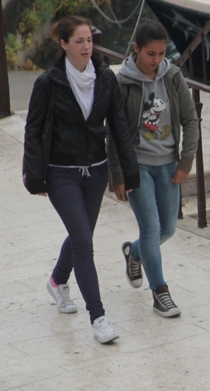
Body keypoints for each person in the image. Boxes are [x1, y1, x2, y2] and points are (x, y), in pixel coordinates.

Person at [23, 16, 139, 344]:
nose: (86, 46)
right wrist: (36, 177)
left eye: (89, 40)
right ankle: (98, 318)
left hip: (97, 171)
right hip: (61, 173)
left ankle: (57, 281)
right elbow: (33, 131)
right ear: (63, 44)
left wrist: (128, 172)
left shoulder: (105, 78)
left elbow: (119, 126)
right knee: (84, 243)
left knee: (81, 235)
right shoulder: (49, 82)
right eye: (79, 41)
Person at [108, 20, 199, 317]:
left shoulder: (172, 76)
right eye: (151, 54)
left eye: (161, 54)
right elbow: (114, 131)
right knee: (150, 229)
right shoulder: (123, 82)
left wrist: (186, 160)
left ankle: (134, 252)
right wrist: (118, 174)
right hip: (138, 167)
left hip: (168, 164)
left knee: (168, 229)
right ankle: (160, 293)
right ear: (136, 49)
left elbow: (190, 120)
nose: (157, 60)